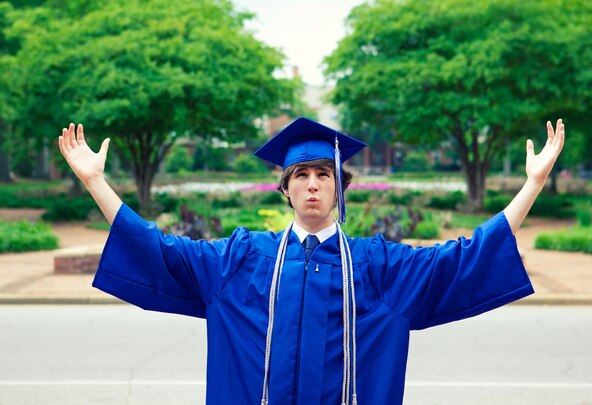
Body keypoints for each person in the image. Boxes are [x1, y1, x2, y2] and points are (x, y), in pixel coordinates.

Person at [58, 116, 565, 405]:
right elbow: (158, 250)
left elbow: (465, 259)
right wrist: (96, 183)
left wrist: (532, 185)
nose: (314, 184)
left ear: (341, 186)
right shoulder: (241, 261)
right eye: (301, 175)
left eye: (324, 173)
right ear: (284, 188)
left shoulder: (378, 268)